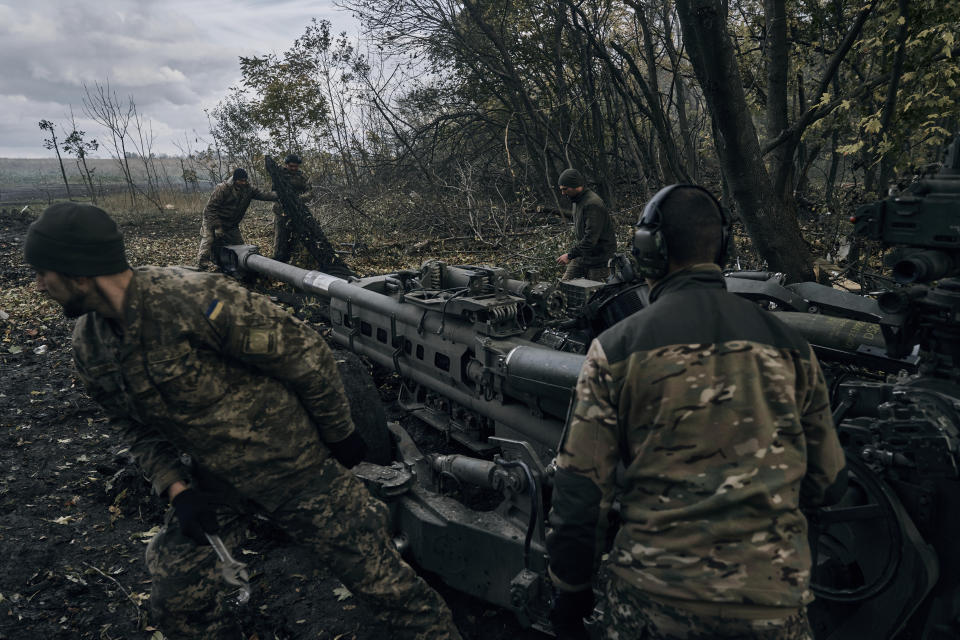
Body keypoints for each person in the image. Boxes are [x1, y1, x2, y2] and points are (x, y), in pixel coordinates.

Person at [25, 202, 463, 640]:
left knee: (390, 591)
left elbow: (304, 355)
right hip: (214, 485)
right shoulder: (91, 345)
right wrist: (177, 490)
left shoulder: (197, 301)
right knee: (178, 597)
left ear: (80, 273)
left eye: (44, 273)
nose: (39, 285)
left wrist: (340, 433)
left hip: (296, 470)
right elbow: (130, 425)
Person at [546, 184, 847, 640]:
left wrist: (571, 591)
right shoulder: (793, 348)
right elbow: (829, 482)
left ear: (649, 252)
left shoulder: (616, 349)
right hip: (772, 606)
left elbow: (580, 494)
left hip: (654, 604)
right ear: (724, 248)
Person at [197, 168, 277, 269]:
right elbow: (210, 209)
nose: (243, 182)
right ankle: (202, 264)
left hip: (231, 224)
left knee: (240, 246)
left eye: (245, 180)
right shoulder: (222, 188)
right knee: (209, 240)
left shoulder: (249, 189)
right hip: (213, 219)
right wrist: (217, 226)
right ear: (235, 180)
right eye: (241, 180)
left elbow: (264, 195)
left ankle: (235, 266)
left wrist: (279, 196)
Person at [555, 168, 616, 281]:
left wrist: (569, 255)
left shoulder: (592, 204)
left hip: (599, 260)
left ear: (576, 186)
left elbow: (590, 239)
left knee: (594, 295)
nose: (563, 193)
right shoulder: (577, 201)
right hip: (583, 256)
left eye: (565, 189)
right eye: (561, 189)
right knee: (564, 287)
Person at [272, 153, 314, 263]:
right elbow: (274, 192)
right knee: (280, 238)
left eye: (296, 166)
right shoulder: (279, 175)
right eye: (291, 166)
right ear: (286, 165)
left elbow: (310, 193)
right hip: (281, 211)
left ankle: (294, 261)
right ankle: (277, 261)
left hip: (298, 211)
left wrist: (297, 199)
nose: (293, 168)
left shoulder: (302, 177)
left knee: (297, 237)